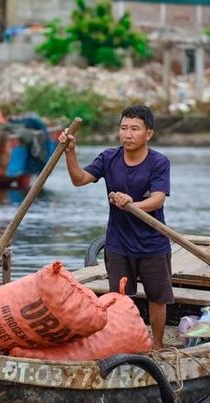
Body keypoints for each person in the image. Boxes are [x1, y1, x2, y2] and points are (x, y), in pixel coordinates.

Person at [59, 105, 173, 349]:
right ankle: (122, 342)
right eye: (123, 128)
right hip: (118, 242)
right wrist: (70, 152)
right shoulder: (109, 158)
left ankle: (159, 345)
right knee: (119, 298)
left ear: (148, 134)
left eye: (134, 129)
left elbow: (158, 198)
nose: (127, 134)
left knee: (157, 296)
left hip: (152, 241)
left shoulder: (159, 162)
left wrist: (134, 203)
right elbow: (79, 180)